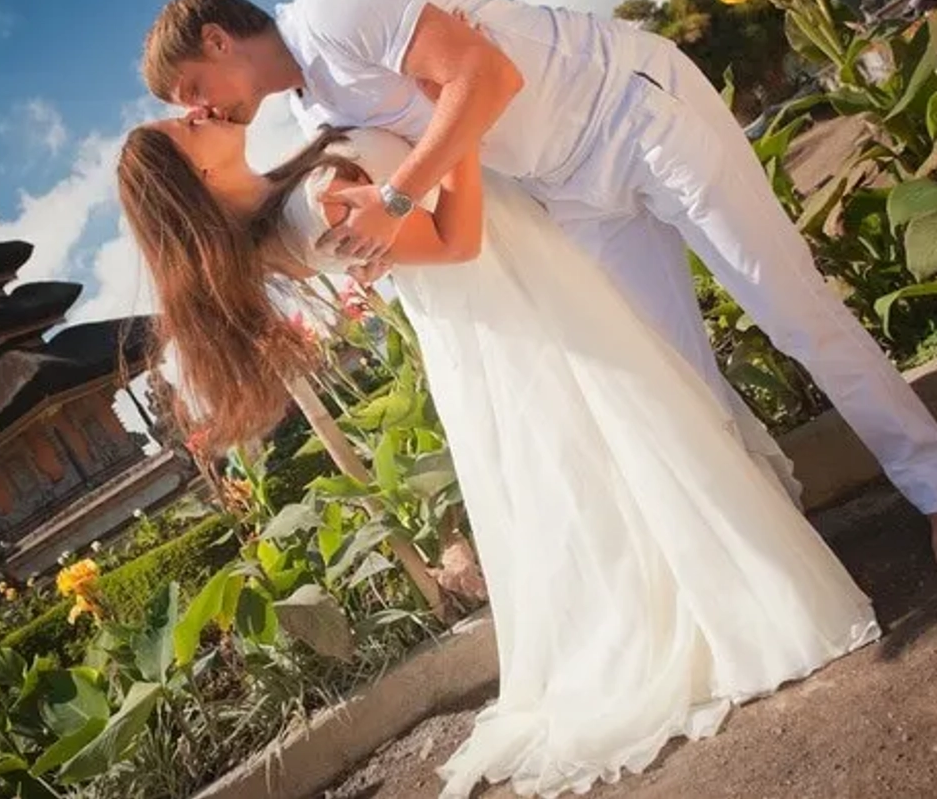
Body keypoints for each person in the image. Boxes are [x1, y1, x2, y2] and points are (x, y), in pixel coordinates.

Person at [115, 115, 878, 798]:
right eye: (184, 127)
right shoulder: (312, 211)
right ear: (198, 176)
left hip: (512, 295)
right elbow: (458, 239)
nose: (197, 112)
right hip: (509, 293)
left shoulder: (292, 187)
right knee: (617, 440)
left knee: (611, 454)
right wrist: (455, 136)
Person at [139, 0, 937, 556]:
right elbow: (446, 148)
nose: (199, 108)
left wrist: (395, 201)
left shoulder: (335, 6)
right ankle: (784, 552)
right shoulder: (316, 103)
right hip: (571, 189)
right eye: (187, 109)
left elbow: (488, 75)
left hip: (631, 110)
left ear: (218, 38)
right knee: (678, 383)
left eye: (192, 87)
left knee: (790, 308)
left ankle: (930, 488)